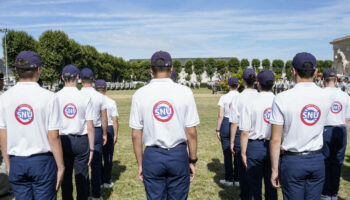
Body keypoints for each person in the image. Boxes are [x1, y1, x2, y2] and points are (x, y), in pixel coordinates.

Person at [130, 51, 200, 199]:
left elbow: (136, 134)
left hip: (152, 156)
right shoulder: (185, 92)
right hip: (178, 154)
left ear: (151, 69)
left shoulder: (139, 94)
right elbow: (191, 132)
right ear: (172, 68)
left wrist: (140, 164)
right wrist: (192, 160)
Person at [269, 52, 335, 200]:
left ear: (293, 71)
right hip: (317, 159)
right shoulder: (327, 96)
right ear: (316, 71)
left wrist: (274, 169)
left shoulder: (282, 98)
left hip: (293, 160)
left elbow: (275, 139)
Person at [0, 51, 65, 199]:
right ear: (38, 70)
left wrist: (8, 163)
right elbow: (53, 136)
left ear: (16, 70)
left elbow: (3, 134)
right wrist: (61, 166)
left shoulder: (4, 98)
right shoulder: (49, 97)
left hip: (17, 159)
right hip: (42, 161)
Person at [56, 64, 95, 200]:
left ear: (62, 78)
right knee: (82, 177)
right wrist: (91, 148)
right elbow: (90, 126)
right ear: (78, 78)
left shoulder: (55, 97)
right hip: (81, 140)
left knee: (65, 177)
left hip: (62, 140)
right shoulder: (84, 97)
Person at [240, 70, 277, 200]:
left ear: (258, 83)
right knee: (272, 184)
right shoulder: (278, 100)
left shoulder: (250, 101)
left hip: (255, 146)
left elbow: (245, 131)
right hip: (275, 145)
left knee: (254, 186)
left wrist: (243, 153)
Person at [229, 68, 258, 200]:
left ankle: (245, 196)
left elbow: (234, 123)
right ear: (255, 81)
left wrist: (231, 142)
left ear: (243, 80)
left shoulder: (238, 98)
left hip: (243, 137)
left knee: (243, 173)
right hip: (259, 139)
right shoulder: (260, 95)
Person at [321, 69, 350, 200]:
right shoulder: (344, 95)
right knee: (337, 162)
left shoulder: (320, 94)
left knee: (325, 162)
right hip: (340, 129)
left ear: (324, 80)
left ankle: (326, 192)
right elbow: (348, 119)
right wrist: (345, 133)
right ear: (336, 80)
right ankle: (334, 192)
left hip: (325, 129)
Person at [80, 68, 108, 200]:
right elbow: (104, 117)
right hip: (96, 130)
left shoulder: (78, 94)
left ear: (80, 79)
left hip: (82, 131)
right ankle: (96, 194)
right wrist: (104, 133)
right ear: (93, 80)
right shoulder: (100, 96)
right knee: (96, 165)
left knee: (83, 165)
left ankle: (84, 194)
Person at [95, 80, 119, 189]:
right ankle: (107, 180)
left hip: (97, 128)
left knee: (97, 156)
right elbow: (115, 120)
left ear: (95, 89)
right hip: (109, 128)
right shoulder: (111, 102)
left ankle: (98, 180)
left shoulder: (92, 101)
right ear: (106, 89)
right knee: (108, 156)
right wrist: (115, 134)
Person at [216, 77, 240, 187]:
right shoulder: (241, 97)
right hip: (238, 124)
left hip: (226, 123)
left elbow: (220, 115)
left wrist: (218, 129)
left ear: (229, 86)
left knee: (227, 154)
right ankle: (238, 178)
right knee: (238, 152)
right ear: (238, 85)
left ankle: (229, 178)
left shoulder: (223, 97)